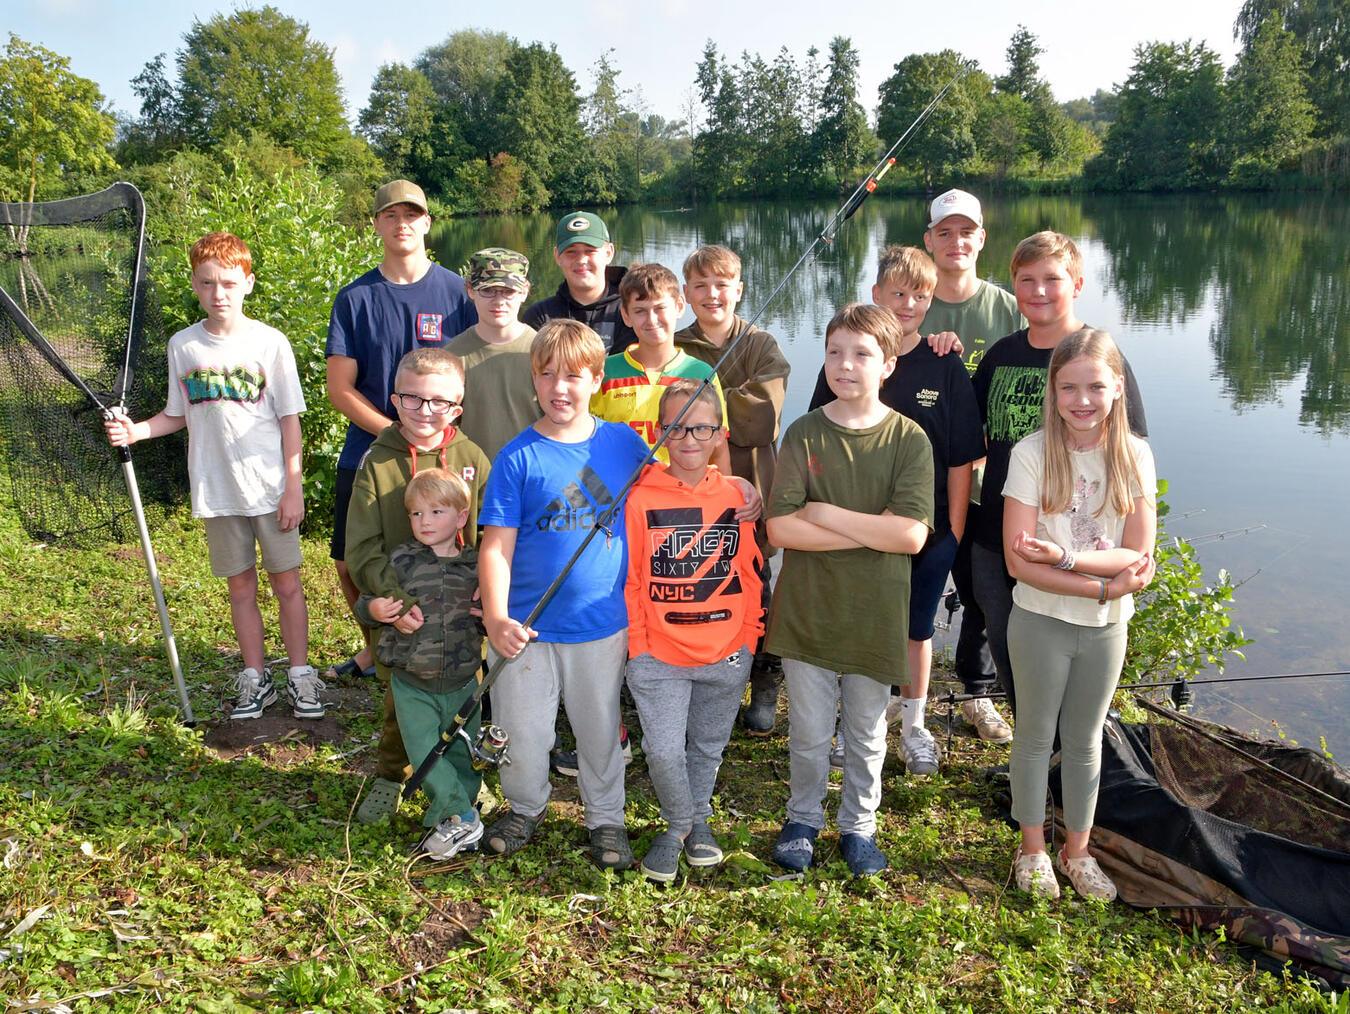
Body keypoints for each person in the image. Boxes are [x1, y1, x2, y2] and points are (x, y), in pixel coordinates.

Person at [104, 231, 320, 721]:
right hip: (217, 491)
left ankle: (301, 673)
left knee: (287, 584)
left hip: (269, 491)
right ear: (195, 286)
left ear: (248, 283)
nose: (218, 292)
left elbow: (290, 420)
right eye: (207, 283)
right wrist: (135, 431)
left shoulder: (271, 342)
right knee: (240, 588)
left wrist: (294, 487)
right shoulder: (183, 345)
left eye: (228, 282)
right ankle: (254, 675)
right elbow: (176, 414)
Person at [765, 304, 934, 877]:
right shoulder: (804, 431)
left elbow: (910, 536)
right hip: (807, 612)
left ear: (888, 364)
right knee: (809, 733)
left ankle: (859, 824)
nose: (845, 364)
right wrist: (870, 531)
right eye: (835, 351)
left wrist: (826, 511)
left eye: (862, 354)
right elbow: (780, 528)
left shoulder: (909, 439)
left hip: (875, 613)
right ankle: (803, 817)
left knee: (865, 734)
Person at [477, 320, 650, 870]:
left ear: (598, 379)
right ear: (533, 380)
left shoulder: (624, 444)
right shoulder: (516, 458)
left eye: (574, 376)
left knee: (599, 727)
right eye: (547, 374)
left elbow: (675, 490)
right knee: (522, 729)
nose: (560, 387)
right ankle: (524, 805)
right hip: (526, 629)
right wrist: (497, 619)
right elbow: (495, 548)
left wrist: (736, 486)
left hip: (602, 623)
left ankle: (606, 818)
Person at [806, 246, 983, 777]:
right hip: (854, 529)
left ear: (932, 302)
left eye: (920, 295)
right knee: (858, 624)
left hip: (923, 532)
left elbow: (959, 458)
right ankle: (855, 723)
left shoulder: (944, 362)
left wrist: (952, 530)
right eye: (897, 293)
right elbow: (820, 442)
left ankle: (914, 724)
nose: (907, 304)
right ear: (876, 294)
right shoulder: (846, 361)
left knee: (916, 630)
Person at [1002, 328, 1156, 900]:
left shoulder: (1134, 454)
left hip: (1106, 630)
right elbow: (1020, 562)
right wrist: (1101, 584)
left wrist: (1068, 557)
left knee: (1087, 739)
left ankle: (1078, 852)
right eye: (1069, 387)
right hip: (1040, 620)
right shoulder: (1031, 453)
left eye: (1095, 386)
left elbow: (1140, 555)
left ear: (1117, 388)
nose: (1082, 400)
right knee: (1036, 736)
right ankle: (1033, 849)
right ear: (1054, 390)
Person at [971, 232, 1148, 719]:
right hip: (999, 540)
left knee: (1080, 689)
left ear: (1077, 284)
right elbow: (966, 439)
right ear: (1013, 287)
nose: (1039, 290)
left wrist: (1123, 551)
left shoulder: (1100, 359)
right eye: (1026, 280)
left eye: (1052, 279)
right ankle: (1039, 763)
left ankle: (1076, 766)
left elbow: (1133, 456)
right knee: (1014, 663)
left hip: (1082, 546)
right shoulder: (1000, 355)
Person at [326, 179, 476, 681]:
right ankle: (378, 642)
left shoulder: (458, 291)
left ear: (428, 223)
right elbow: (341, 388)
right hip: (372, 445)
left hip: (441, 443)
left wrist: (429, 427)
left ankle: (451, 639)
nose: (402, 223)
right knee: (351, 559)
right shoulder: (355, 297)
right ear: (377, 224)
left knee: (449, 544)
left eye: (412, 215)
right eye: (391, 215)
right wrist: (398, 428)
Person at [624, 381, 764, 882]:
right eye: (676, 428)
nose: (688, 438)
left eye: (701, 428)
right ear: (659, 433)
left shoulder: (736, 497)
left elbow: (750, 572)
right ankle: (684, 824)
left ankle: (692, 823)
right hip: (658, 654)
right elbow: (634, 577)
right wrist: (639, 646)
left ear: (719, 434)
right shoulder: (638, 497)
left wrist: (749, 637)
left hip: (726, 651)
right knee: (662, 749)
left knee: (707, 745)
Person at [344, 347, 490, 824]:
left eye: (439, 402)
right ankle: (391, 774)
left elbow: (492, 532)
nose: (425, 411)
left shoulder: (472, 457)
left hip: (458, 612)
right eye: (413, 399)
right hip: (401, 608)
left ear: (458, 406)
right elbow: (362, 545)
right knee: (401, 702)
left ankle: (465, 779)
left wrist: (486, 590)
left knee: (463, 701)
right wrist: (395, 599)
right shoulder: (377, 461)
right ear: (394, 399)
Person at [922, 189, 1026, 745]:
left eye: (967, 232)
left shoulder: (1008, 306)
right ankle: (895, 691)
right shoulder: (910, 302)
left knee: (985, 594)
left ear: (982, 239)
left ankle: (977, 693)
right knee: (907, 586)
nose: (956, 242)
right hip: (922, 482)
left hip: (990, 481)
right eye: (944, 232)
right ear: (929, 240)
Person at [674, 245, 790, 737]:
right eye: (700, 286)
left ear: (739, 289)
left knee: (755, 589)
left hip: (750, 496)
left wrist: (700, 400)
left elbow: (760, 418)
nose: (711, 294)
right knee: (694, 583)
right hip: (688, 495)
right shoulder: (675, 346)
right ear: (685, 294)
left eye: (722, 284)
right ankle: (696, 676)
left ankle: (764, 680)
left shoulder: (762, 345)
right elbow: (664, 419)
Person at [354, 468, 486, 858]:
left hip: (464, 681)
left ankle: (463, 805)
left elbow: (499, 606)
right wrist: (376, 608)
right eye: (415, 514)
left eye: (436, 512)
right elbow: (367, 603)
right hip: (412, 682)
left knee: (463, 751)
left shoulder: (476, 567)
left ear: (461, 517)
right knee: (425, 751)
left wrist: (490, 610)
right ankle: (457, 814)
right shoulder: (401, 562)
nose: (424, 522)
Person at [591, 263, 731, 473]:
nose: (652, 320)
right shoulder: (605, 371)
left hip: (680, 495)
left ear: (679, 306)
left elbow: (718, 451)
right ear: (626, 315)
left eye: (660, 308)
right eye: (640, 311)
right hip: (619, 495)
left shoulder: (701, 374)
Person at [447, 247, 541, 462]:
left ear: (524, 291)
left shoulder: (544, 350)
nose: (499, 301)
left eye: (508, 291)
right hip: (473, 477)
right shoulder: (451, 357)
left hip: (533, 472)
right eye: (488, 291)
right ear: (470, 290)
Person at [522, 211, 636, 353]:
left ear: (608, 253)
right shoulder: (540, 317)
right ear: (557, 256)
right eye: (571, 252)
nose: (581, 260)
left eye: (590, 251)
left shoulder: (634, 310)